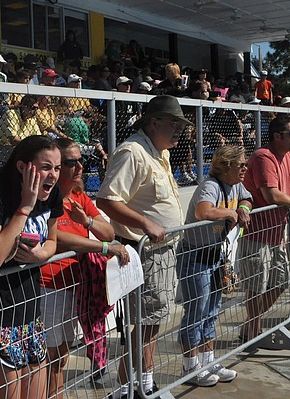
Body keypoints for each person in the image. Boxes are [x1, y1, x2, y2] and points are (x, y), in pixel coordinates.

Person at [96, 95, 188, 398]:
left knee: (152, 323)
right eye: (173, 123)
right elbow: (107, 200)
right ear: (153, 122)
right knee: (147, 323)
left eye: (180, 124)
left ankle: (144, 382)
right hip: (145, 251)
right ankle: (128, 386)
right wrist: (145, 224)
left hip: (162, 252)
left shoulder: (159, 153)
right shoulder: (133, 152)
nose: (179, 130)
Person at [0, 135, 63, 399]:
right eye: (45, 167)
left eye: (57, 168)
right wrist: (24, 208)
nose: (53, 175)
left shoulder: (52, 194)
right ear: (22, 167)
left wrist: (39, 255)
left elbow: (53, 240)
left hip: (30, 312)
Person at [41, 138, 129, 397]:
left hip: (76, 286)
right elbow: (56, 239)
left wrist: (87, 221)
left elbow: (108, 230)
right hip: (51, 286)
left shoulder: (79, 196)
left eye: (81, 160)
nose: (79, 166)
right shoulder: (47, 198)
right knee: (49, 357)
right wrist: (100, 247)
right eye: (71, 162)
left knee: (61, 356)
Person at [178, 145, 250, 387]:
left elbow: (247, 197)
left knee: (212, 311)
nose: (245, 168)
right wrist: (227, 213)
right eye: (241, 164)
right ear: (226, 165)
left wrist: (243, 208)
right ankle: (191, 367)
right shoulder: (210, 186)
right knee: (196, 313)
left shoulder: (235, 185)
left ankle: (208, 360)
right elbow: (203, 211)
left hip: (215, 256)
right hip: (196, 257)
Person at [237, 114, 290, 342]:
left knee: (280, 281)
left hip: (277, 233)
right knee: (256, 286)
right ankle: (252, 329)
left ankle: (251, 324)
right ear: (277, 136)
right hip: (257, 234)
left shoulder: (289, 157)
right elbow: (271, 195)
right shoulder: (262, 157)